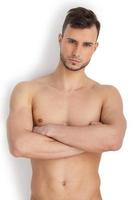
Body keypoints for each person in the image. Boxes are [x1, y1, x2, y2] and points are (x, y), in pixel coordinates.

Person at [7, 7, 127, 200]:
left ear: (95, 48)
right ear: (60, 39)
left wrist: (51, 130)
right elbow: (19, 146)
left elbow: (113, 140)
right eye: (71, 41)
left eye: (86, 44)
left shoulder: (107, 94)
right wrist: (91, 141)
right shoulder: (27, 90)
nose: (77, 52)